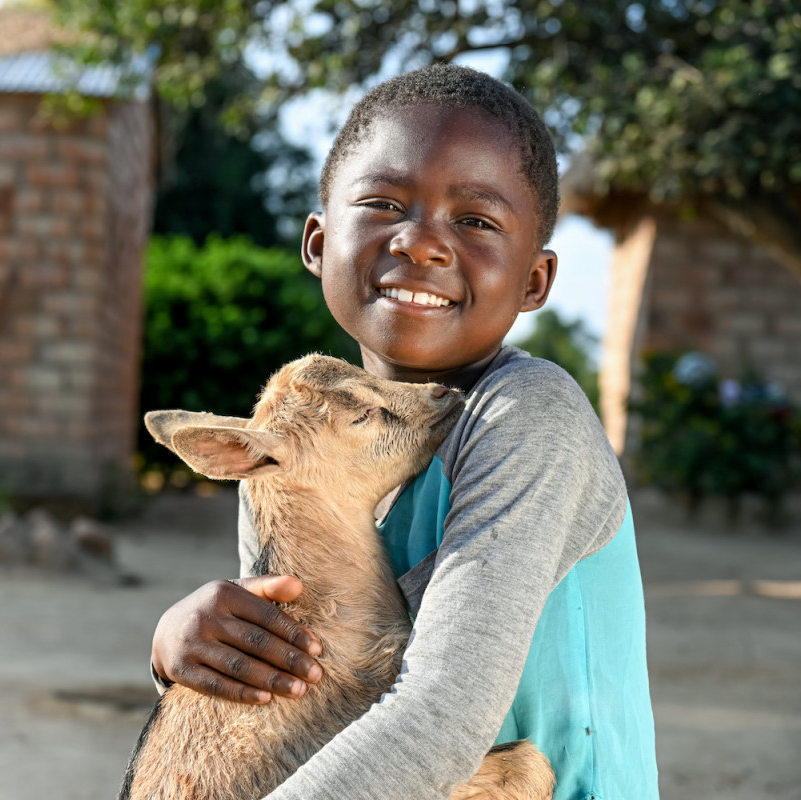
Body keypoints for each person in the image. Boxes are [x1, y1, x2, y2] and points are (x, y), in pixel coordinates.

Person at [149, 63, 659, 800]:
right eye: (385, 204)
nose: (421, 244)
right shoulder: (294, 453)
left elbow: (442, 719)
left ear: (535, 283)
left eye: (476, 220)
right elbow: (293, 708)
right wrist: (180, 651)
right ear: (319, 242)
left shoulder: (528, 417)